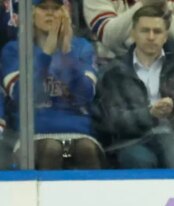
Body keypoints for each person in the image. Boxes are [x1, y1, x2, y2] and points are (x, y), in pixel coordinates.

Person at [95, 5, 174, 169]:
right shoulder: (114, 70)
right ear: (133, 33)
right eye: (144, 30)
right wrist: (149, 114)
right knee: (138, 160)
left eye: (157, 31)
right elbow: (111, 119)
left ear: (166, 36)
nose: (151, 36)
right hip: (134, 140)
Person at [1, 0, 102, 169]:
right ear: (31, 14)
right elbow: (22, 96)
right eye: (43, 8)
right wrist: (46, 54)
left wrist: (67, 52)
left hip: (78, 130)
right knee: (51, 149)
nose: (50, 13)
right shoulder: (14, 49)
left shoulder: (82, 47)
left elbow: (85, 96)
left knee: (87, 150)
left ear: (65, 14)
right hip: (34, 133)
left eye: (56, 8)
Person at [83, 0, 174, 87]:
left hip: (167, 61)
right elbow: (107, 36)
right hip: (118, 61)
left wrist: (163, 12)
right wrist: (143, 5)